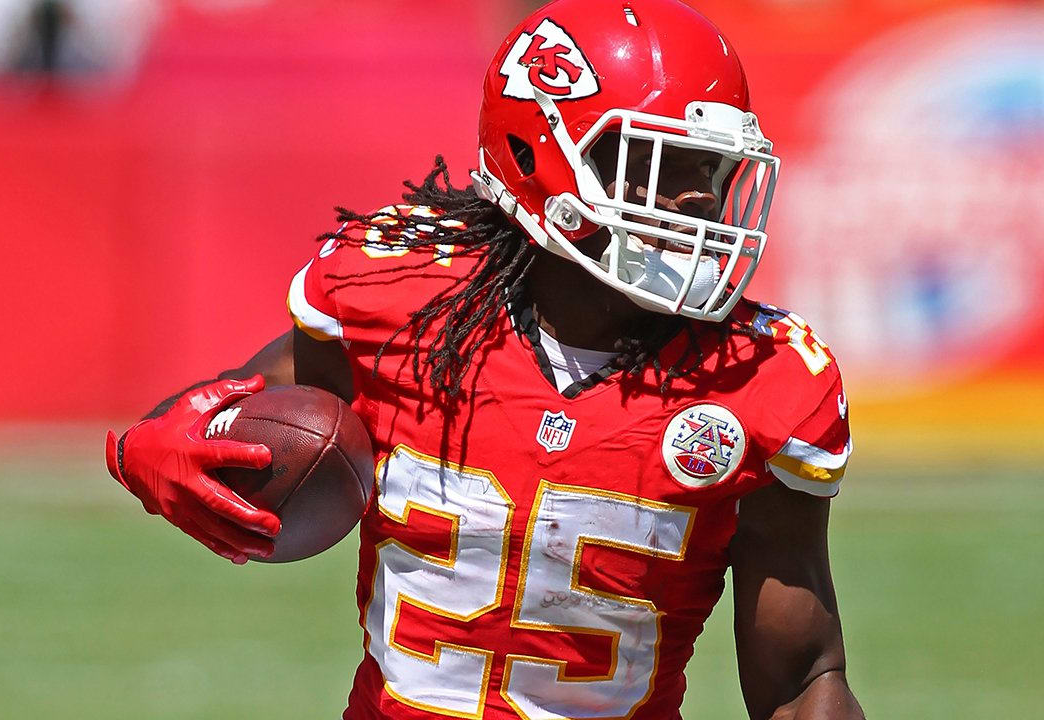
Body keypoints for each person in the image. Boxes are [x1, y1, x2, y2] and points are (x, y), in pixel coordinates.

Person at [104, 0, 866, 717]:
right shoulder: (398, 300)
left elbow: (800, 676)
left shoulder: (758, 380)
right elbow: (255, 402)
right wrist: (162, 439)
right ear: (540, 154)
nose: (699, 201)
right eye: (663, 164)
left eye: (709, 171)